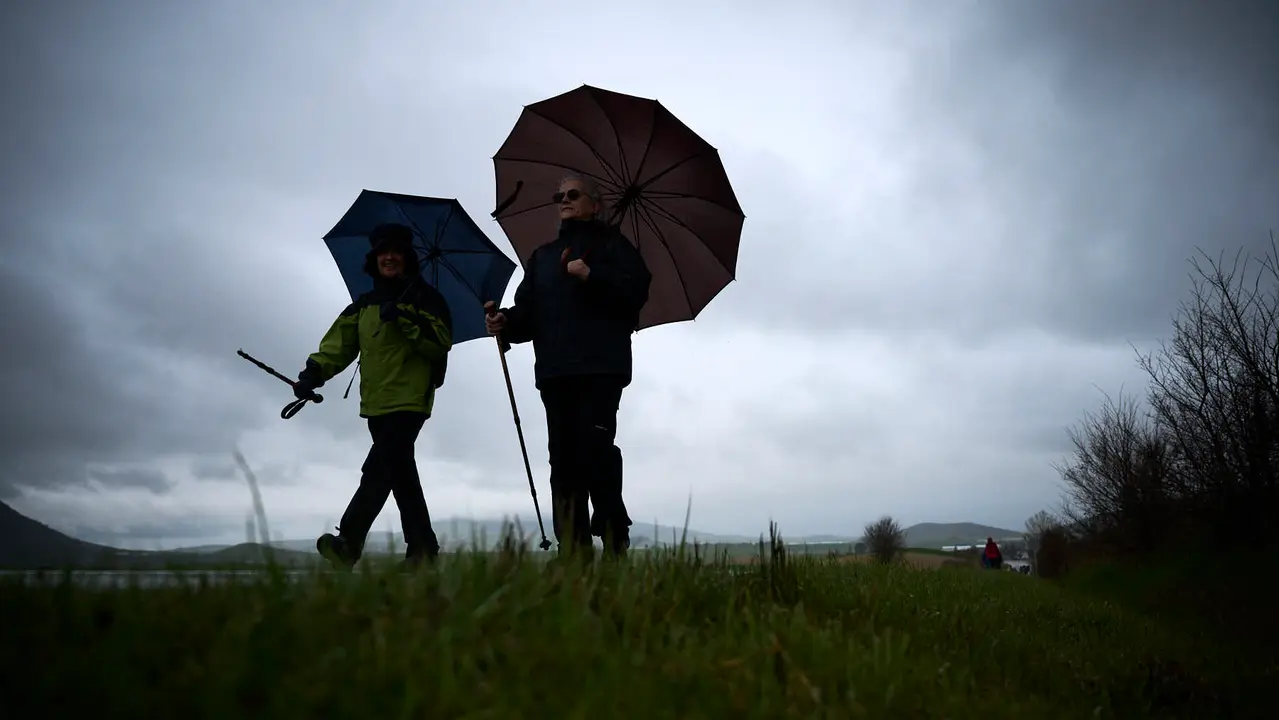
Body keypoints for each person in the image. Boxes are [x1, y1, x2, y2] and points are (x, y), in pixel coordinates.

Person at [484, 175, 652, 559]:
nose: (563, 200)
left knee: (596, 450)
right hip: (556, 371)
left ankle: (613, 534)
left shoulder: (615, 247)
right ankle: (572, 550)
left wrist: (593, 276)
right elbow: (528, 312)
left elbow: (635, 296)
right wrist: (505, 323)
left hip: (601, 367)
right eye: (558, 195)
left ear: (595, 202)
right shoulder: (543, 257)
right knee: (562, 459)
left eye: (572, 195)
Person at [292, 222, 454, 571]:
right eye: (383, 251)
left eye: (395, 251)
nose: (389, 257)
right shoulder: (363, 305)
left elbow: (438, 344)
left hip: (410, 401)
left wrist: (406, 318)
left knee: (378, 470)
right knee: (401, 476)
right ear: (374, 258)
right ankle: (423, 551)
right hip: (375, 404)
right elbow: (339, 345)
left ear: (407, 257)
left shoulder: (427, 300)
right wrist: (313, 374)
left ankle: (348, 542)